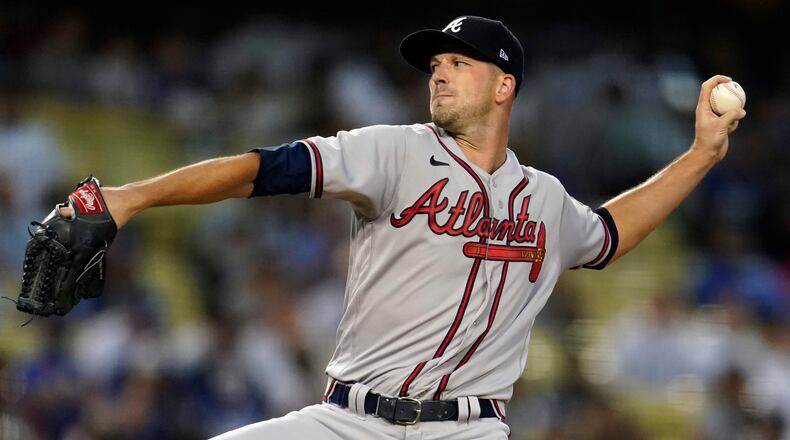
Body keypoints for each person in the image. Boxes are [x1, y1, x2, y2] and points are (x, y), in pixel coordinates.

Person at [56, 15, 746, 440]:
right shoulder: (392, 150)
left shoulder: (544, 199)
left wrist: (701, 155)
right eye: (435, 65)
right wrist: (131, 196)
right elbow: (260, 170)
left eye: (458, 63)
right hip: (346, 421)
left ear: (504, 85)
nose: (438, 75)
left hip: (468, 431)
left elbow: (610, 233)